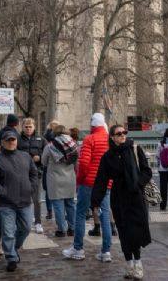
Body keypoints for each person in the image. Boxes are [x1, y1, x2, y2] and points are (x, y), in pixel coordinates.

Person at [92, 124, 152, 280]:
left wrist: (138, 183)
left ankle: (138, 264)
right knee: (124, 231)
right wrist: (96, 201)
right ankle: (129, 264)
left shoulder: (134, 149)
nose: (122, 135)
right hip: (118, 198)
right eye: (118, 134)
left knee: (135, 231)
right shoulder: (108, 157)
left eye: (124, 132)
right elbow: (101, 179)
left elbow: (147, 171)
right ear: (112, 137)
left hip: (135, 196)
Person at [0, 129, 39, 272]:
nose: (11, 142)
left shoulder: (25, 156)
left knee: (26, 227)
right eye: (8, 140)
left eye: (13, 139)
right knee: (8, 232)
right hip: (6, 203)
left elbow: (34, 173)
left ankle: (13, 248)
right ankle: (11, 258)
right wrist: (2, 192)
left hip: (25, 200)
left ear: (16, 141)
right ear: (2, 142)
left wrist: (31, 187)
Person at [63, 112, 113, 262]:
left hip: (89, 182)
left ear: (92, 125)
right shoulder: (110, 140)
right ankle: (106, 251)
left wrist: (80, 180)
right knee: (104, 215)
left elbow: (84, 163)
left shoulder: (89, 139)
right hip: (105, 184)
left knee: (80, 213)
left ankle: (78, 249)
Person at [42, 125, 77, 237]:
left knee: (58, 205)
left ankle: (62, 230)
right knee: (70, 204)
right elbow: (76, 161)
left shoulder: (50, 146)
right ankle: (72, 228)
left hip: (55, 179)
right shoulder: (73, 145)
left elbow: (44, 162)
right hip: (70, 178)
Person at [17, 117, 46, 233]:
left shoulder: (41, 139)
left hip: (36, 172)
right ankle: (24, 221)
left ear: (34, 127)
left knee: (37, 199)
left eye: (30, 126)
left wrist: (40, 157)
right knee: (23, 199)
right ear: (22, 127)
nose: (28, 129)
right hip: (21, 173)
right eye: (26, 127)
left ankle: (38, 222)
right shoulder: (18, 139)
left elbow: (47, 152)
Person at [42, 120, 59, 220]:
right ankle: (56, 211)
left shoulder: (46, 138)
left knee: (48, 190)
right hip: (59, 167)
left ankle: (49, 211)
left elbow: (44, 160)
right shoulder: (62, 139)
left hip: (48, 166)